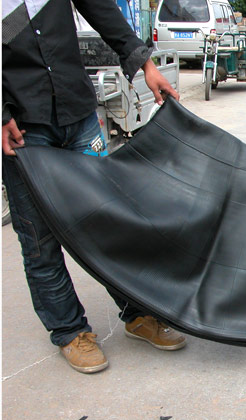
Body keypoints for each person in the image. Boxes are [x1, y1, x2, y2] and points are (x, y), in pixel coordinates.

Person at [2, 0, 185, 374]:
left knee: (110, 220)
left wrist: (146, 66)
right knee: (40, 241)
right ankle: (70, 331)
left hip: (77, 111)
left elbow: (101, 8)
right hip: (21, 127)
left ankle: (137, 313)